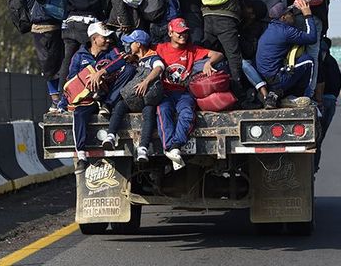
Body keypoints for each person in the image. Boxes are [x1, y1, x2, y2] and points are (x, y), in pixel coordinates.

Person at [155, 18, 224, 169]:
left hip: (184, 93)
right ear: (170, 32)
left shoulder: (192, 50)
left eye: (185, 33)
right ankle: (169, 147)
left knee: (187, 113)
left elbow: (218, 54)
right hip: (165, 93)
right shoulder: (160, 48)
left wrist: (208, 63)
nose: (183, 36)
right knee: (163, 110)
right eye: (179, 33)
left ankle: (176, 146)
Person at [68, 22, 135, 174]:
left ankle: (108, 105)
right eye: (104, 37)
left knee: (129, 69)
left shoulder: (111, 51)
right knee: (79, 113)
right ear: (94, 39)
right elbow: (71, 79)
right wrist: (86, 81)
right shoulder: (79, 56)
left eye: (108, 37)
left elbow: (121, 60)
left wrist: (101, 72)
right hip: (89, 98)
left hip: (109, 95)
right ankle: (81, 156)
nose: (108, 40)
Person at [58, 0, 107, 109]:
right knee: (97, 57)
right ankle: (96, 97)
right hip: (88, 23)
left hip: (69, 23)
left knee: (68, 60)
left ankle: (60, 99)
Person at [20, 0, 65, 111]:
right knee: (50, 68)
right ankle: (56, 101)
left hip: (58, 28)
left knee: (63, 66)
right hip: (43, 31)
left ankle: (64, 98)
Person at [106, 30, 163, 162]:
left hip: (148, 98)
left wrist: (146, 82)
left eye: (131, 43)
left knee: (149, 113)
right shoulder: (136, 59)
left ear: (138, 44)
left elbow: (159, 68)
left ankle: (143, 148)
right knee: (119, 106)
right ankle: (111, 135)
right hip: (134, 98)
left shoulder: (153, 57)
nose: (128, 46)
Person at [255, 0, 317, 106]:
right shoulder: (285, 31)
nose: (293, 16)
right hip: (277, 79)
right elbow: (312, 37)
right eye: (290, 13)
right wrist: (307, 15)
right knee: (308, 61)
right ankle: (305, 95)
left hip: (266, 77)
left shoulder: (270, 28)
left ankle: (280, 93)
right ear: (283, 18)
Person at [315, 37, 341, 172]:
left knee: (315, 139)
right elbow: (338, 82)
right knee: (318, 139)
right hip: (331, 100)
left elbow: (319, 80)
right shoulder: (333, 62)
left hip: (322, 101)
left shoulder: (318, 59)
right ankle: (313, 167)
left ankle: (312, 166)